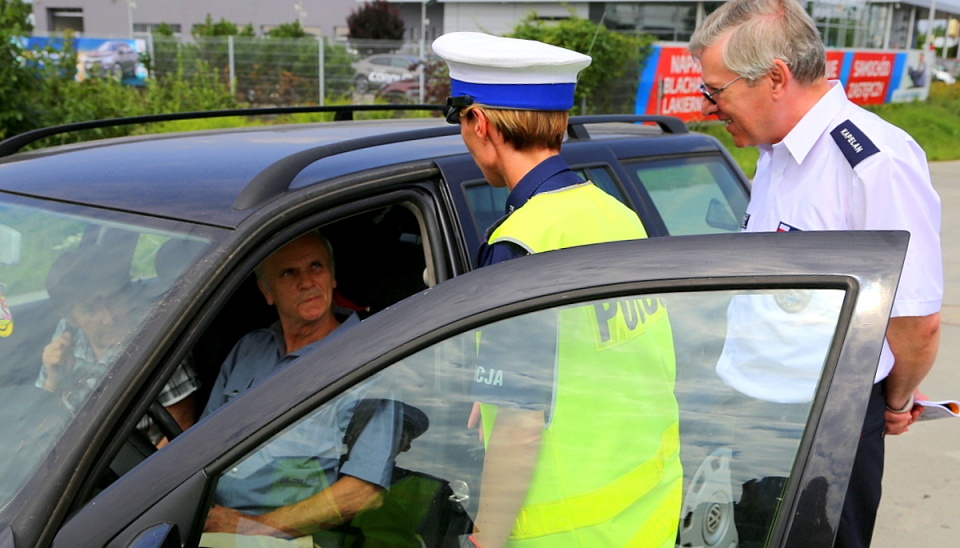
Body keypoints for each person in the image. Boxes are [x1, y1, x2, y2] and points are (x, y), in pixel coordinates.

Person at [688, 1, 942, 546]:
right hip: (754, 413)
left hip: (826, 425)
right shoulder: (776, 152)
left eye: (716, 90)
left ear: (775, 78)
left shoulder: (874, 164)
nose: (710, 106)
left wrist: (895, 402)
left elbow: (915, 323)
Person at [434, 31, 682, 547]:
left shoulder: (522, 243)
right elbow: (606, 357)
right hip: (645, 512)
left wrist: (486, 536)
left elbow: (521, 425)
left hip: (566, 533)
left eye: (459, 121)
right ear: (560, 122)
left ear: (479, 124)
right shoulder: (617, 214)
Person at [200, 230, 403, 541]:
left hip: (292, 538)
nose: (307, 282)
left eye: (316, 267)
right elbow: (200, 450)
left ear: (333, 277)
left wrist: (253, 528)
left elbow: (363, 491)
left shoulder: (368, 362)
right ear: (267, 292)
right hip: (211, 525)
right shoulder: (249, 349)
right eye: (288, 273)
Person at [39, 248, 199, 443]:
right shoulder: (67, 334)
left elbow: (180, 427)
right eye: (91, 310)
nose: (109, 318)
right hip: (68, 447)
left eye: (113, 300)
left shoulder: (155, 339)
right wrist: (52, 380)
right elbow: (41, 419)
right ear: (71, 318)